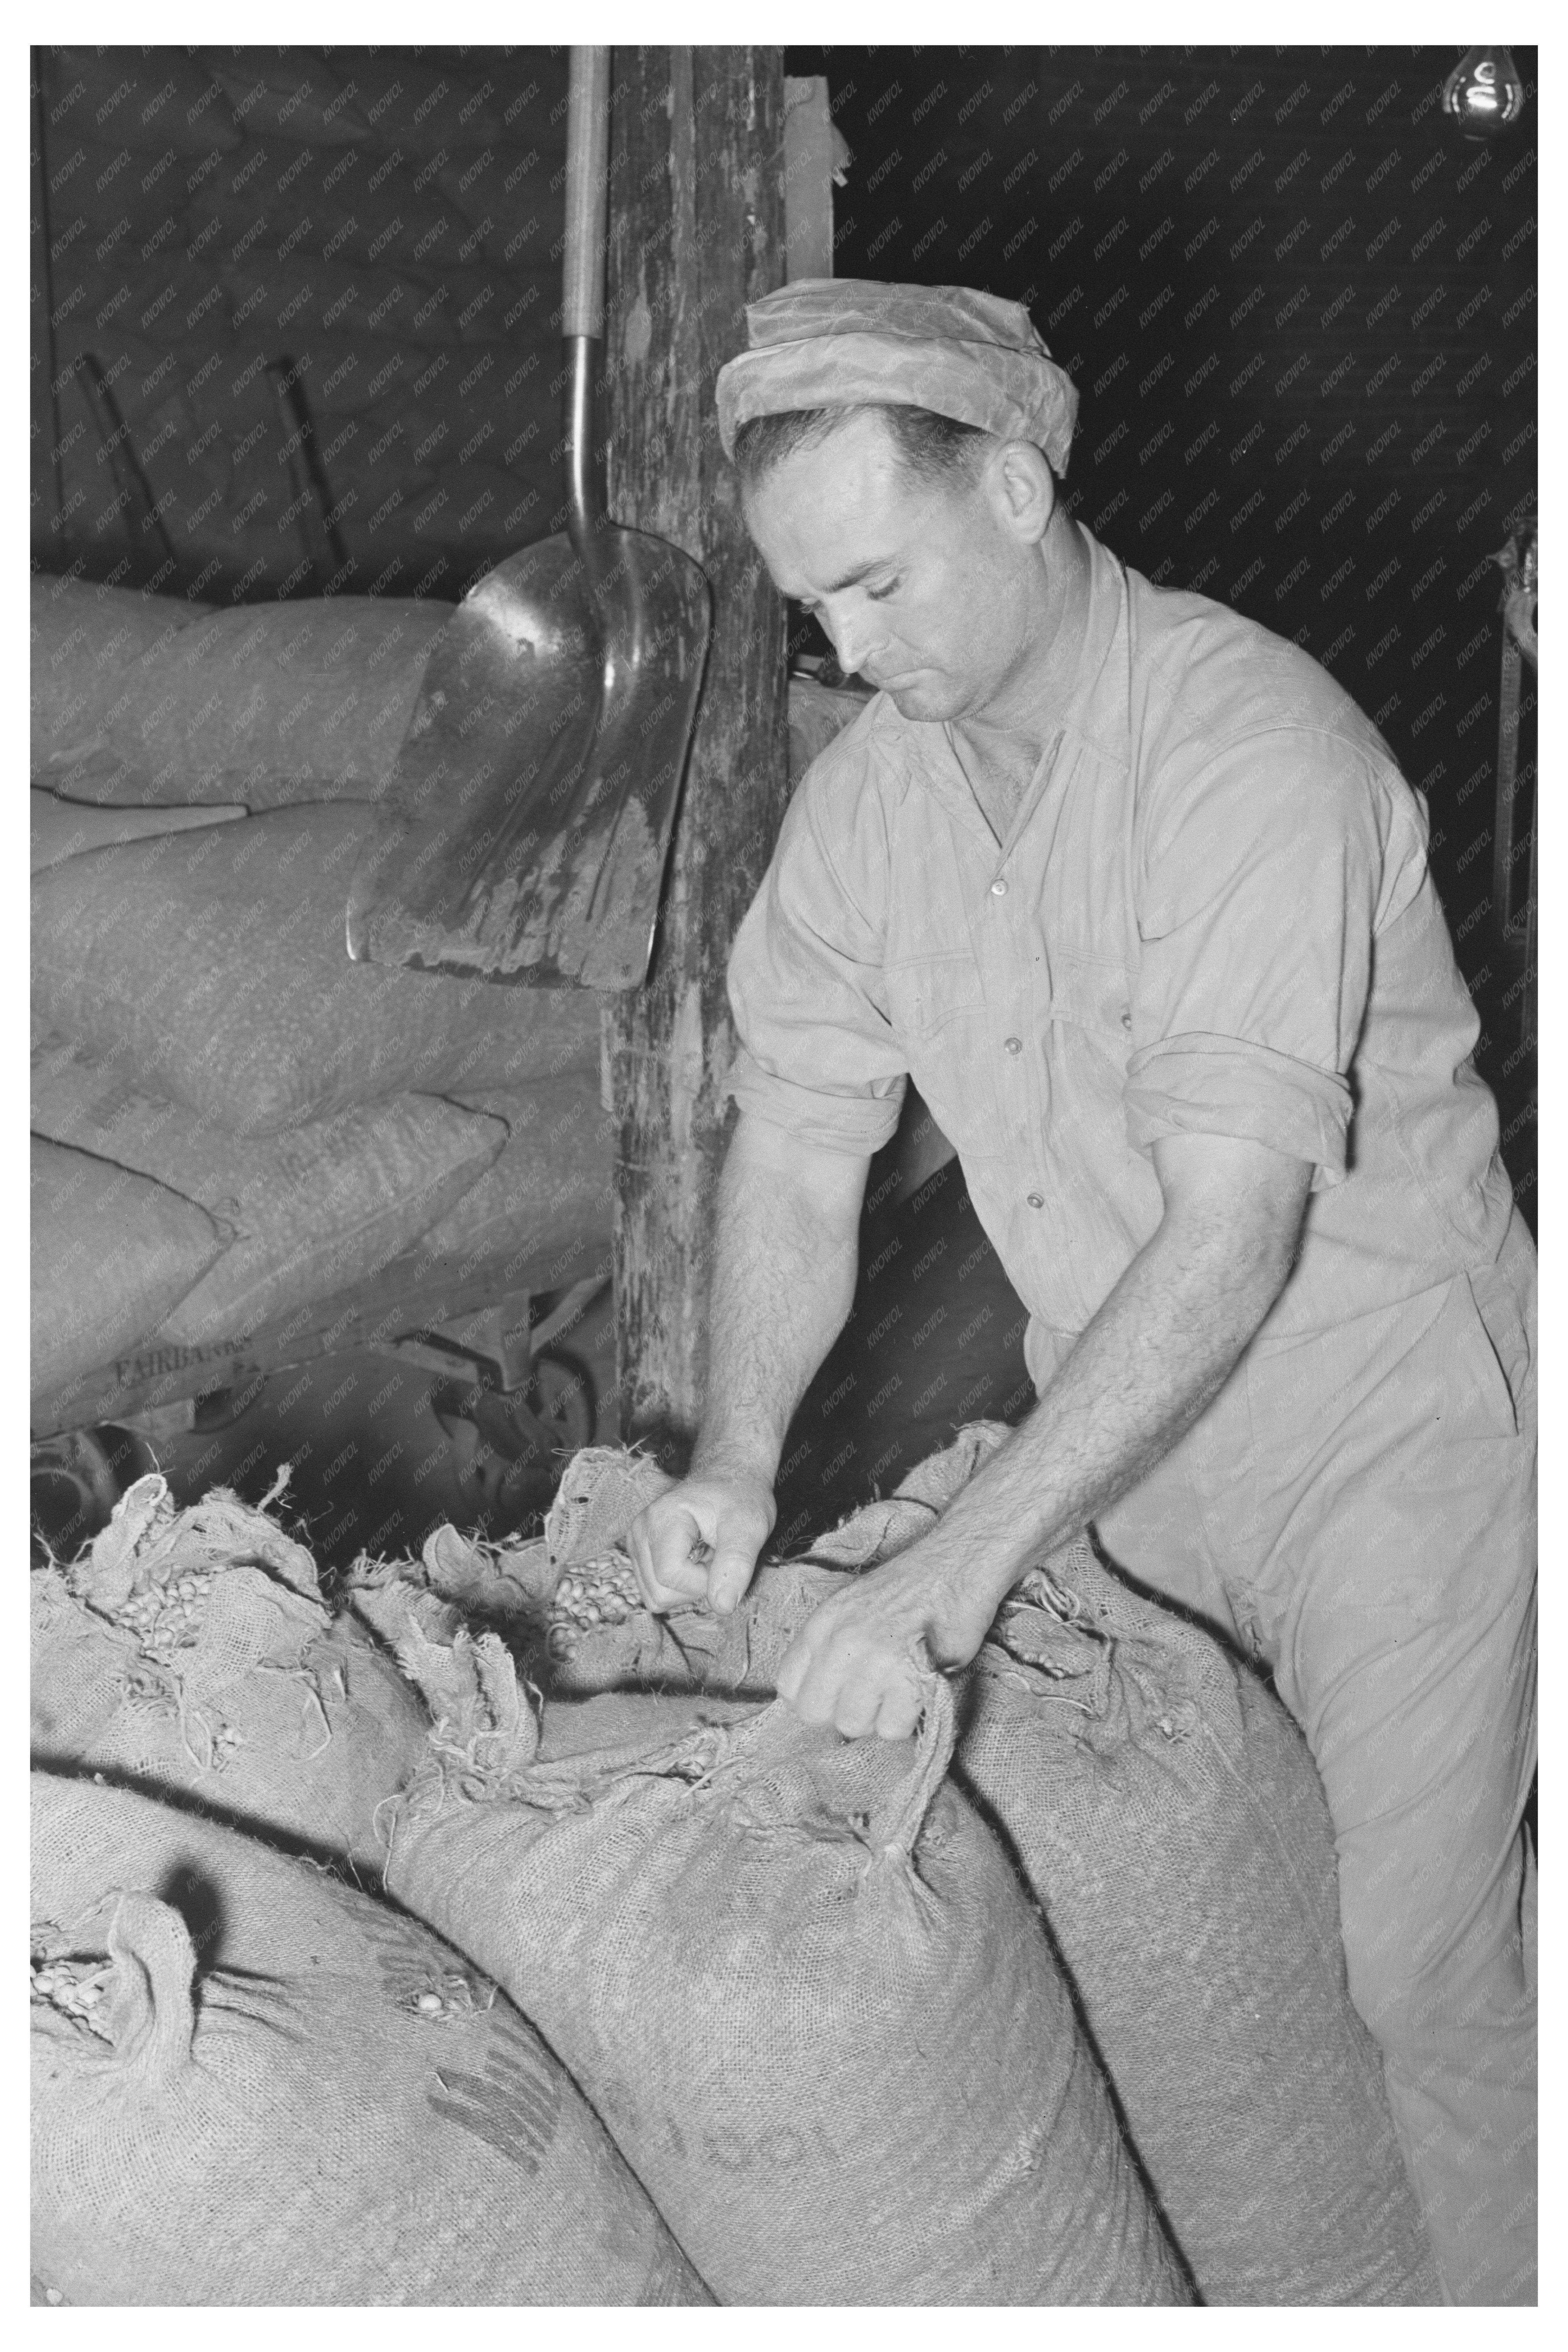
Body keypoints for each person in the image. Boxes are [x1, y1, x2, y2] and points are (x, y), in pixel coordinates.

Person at [623, 280, 1536, 2306]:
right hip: (1132, 1444)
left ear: (1019, 489)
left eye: (875, 586)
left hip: (1381, 1425)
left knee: (1420, 1958)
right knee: (1242, 1897)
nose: (850, 656)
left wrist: (945, 1571)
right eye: (812, 617)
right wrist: (740, 1460)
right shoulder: (872, 808)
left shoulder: (1250, 750)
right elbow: (792, 1141)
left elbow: (1231, 1240)